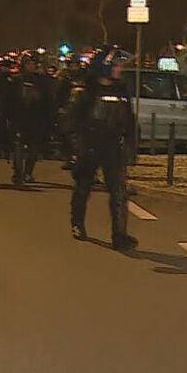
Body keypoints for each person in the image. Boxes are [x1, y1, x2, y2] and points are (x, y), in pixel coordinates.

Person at [69, 45, 138, 251]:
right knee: (83, 186)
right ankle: (77, 223)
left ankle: (119, 235)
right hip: (90, 145)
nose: (119, 69)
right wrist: (77, 146)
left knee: (119, 192)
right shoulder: (87, 91)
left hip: (113, 147)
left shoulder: (121, 90)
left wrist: (131, 145)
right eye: (116, 65)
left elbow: (129, 120)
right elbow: (73, 120)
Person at [6, 50, 55, 184]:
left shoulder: (42, 82)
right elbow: (8, 100)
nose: (30, 66)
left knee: (33, 147)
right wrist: (8, 116)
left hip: (36, 119)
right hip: (19, 118)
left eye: (33, 63)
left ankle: (28, 172)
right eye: (28, 63)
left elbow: (48, 102)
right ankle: (18, 173)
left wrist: (49, 120)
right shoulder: (15, 80)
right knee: (17, 145)